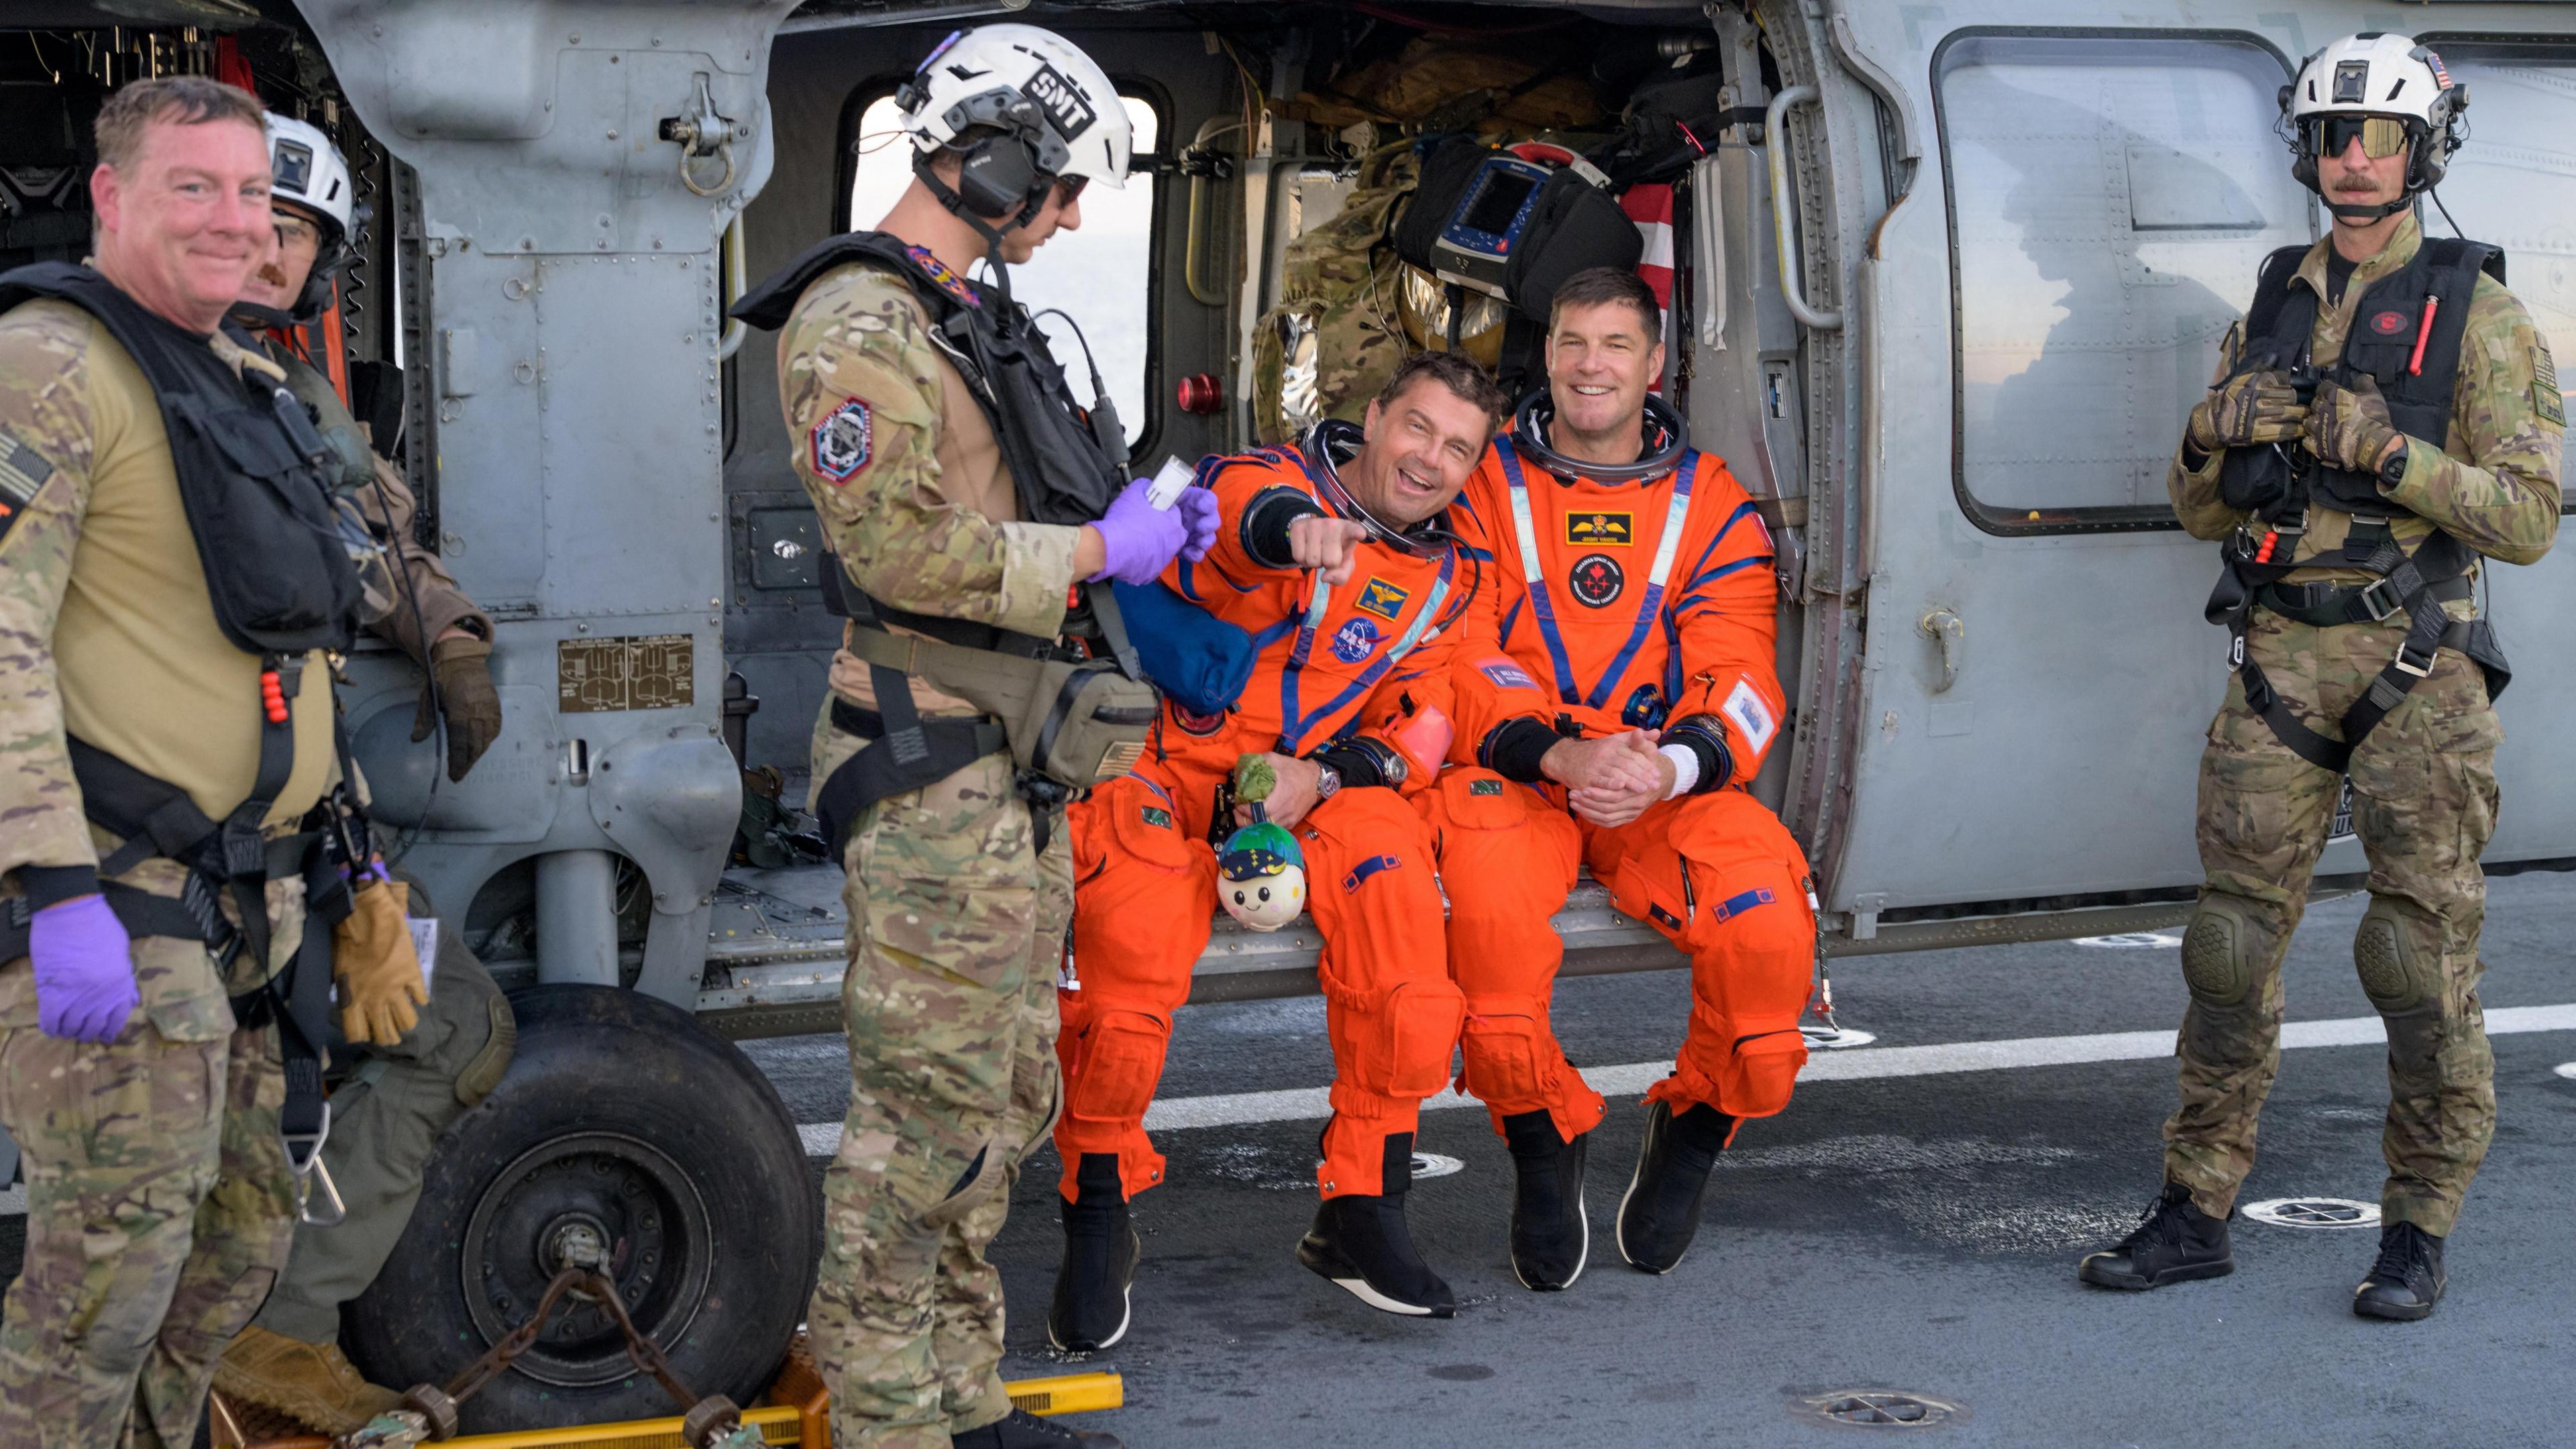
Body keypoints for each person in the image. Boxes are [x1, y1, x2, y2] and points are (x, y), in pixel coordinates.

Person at [729, 24, 1212, 1449]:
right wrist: (1094, 555)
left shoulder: (951, 313)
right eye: (1056, 188)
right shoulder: (860, 324)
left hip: (1011, 765)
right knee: (918, 1128)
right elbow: (900, 554)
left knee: (1000, 1104)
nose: (1065, 219)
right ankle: (887, 1421)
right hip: (932, 765)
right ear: (989, 155)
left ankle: (961, 1399)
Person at [2078, 33, 2560, 1321]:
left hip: (2420, 670)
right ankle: (2197, 1206)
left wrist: (2391, 459)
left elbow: (2527, 516)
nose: (2355, 158)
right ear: (2310, 152)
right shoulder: (2272, 302)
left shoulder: (2482, 315)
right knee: (2227, 949)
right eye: (2336, 136)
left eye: (2381, 137)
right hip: (2277, 661)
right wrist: (2208, 429)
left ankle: (2418, 1224)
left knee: (2417, 952)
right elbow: (2198, 509)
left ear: (2420, 151)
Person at [0, 76, 421, 1449]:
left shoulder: (246, 385)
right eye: (196, 188)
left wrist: (357, 863)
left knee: (229, 1259)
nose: (236, 222)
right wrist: (53, 887)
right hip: (120, 897)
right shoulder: (53, 363)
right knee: (104, 1297)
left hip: (260, 905)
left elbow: (297, 657)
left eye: (253, 194)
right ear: (113, 197)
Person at [1052, 350, 1542, 1341]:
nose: (1428, 461)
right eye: (1416, 428)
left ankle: (1363, 1208)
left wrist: (1322, 777)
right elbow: (1240, 521)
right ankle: (1098, 1209)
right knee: (1134, 931)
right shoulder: (1264, 480)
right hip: (1160, 761)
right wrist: (1299, 534)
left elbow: (1429, 723)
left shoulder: (1452, 578)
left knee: (1401, 901)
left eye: (1458, 449)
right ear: (1372, 417)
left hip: (1302, 785)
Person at [208, 112, 517, 1438]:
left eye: (290, 233)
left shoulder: (286, 396)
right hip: (175, 841)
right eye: (239, 219)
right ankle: (259, 1339)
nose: (261, 251)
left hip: (286, 825)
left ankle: (260, 1339)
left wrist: (444, 627)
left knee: (442, 1028)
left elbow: (370, 530)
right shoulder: (135, 390)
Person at [1417, 267, 1812, 1289]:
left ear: (1653, 362)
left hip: (1660, 786)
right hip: (1519, 776)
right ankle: (1546, 1142)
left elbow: (1746, 675)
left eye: (1615, 345)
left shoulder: (1712, 505)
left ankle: (1697, 1125)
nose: (1592, 366)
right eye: (1572, 343)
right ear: (1546, 357)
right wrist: (1557, 752)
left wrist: (1669, 764)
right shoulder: (1481, 488)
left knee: (1770, 941)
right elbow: (1457, 650)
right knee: (1492, 959)